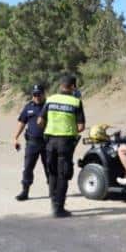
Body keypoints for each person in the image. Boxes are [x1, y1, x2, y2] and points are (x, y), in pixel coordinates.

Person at [37, 75, 85, 218]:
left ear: (60, 86)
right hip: (66, 142)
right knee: (63, 174)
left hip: (50, 141)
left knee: (52, 173)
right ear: (72, 87)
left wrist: (49, 128)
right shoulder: (76, 102)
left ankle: (53, 203)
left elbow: (40, 121)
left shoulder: (50, 99)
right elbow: (81, 126)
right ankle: (59, 208)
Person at [13, 84, 48, 201]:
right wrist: (15, 137)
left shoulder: (49, 106)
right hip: (32, 142)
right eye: (35, 94)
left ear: (44, 94)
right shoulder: (28, 106)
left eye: (39, 94)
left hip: (47, 142)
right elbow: (22, 122)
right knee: (28, 167)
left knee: (50, 167)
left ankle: (53, 190)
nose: (37, 96)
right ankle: (25, 191)